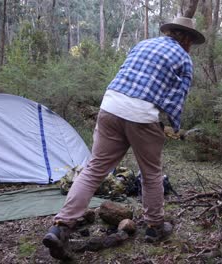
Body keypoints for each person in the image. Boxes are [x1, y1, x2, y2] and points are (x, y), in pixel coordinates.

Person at [42, 16, 205, 260]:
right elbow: (177, 97)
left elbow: (124, 73)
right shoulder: (183, 58)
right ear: (188, 39)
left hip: (110, 106)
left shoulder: (142, 44)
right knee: (151, 173)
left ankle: (61, 227)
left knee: (94, 169)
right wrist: (172, 124)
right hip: (141, 115)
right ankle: (155, 227)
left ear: (169, 31)